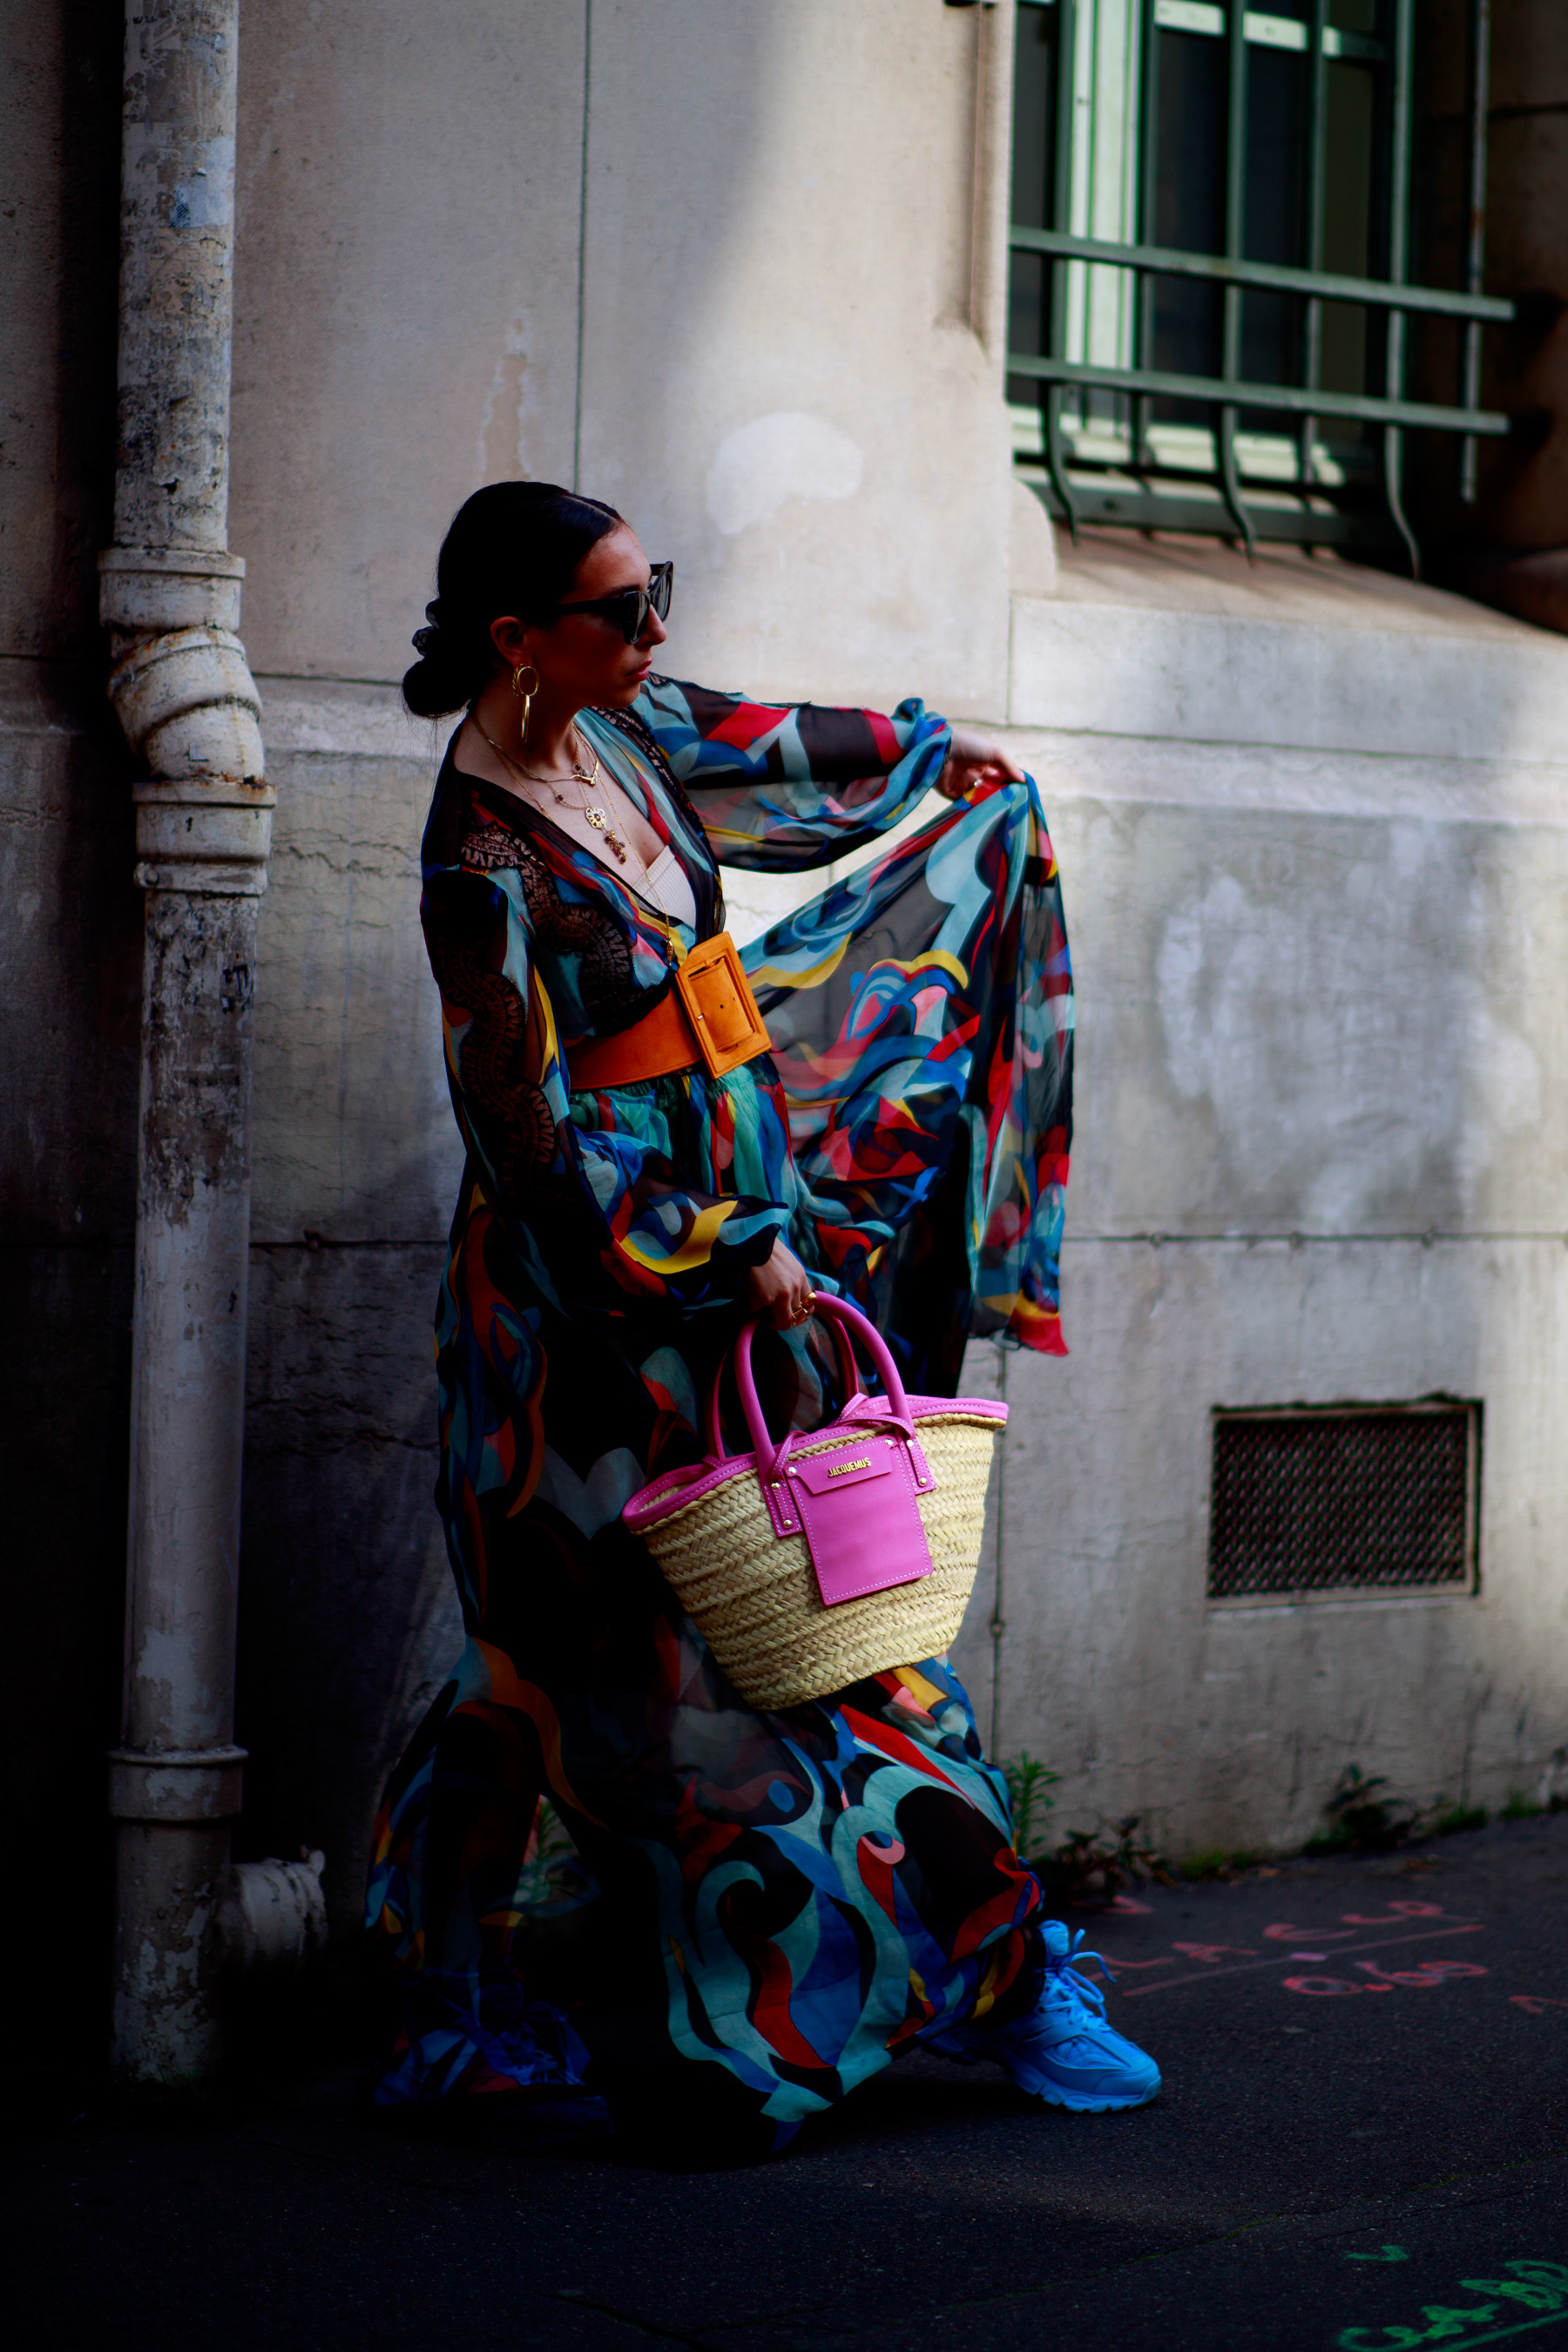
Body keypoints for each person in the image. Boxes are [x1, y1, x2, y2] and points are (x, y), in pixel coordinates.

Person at [367, 479, 1158, 2159]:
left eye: (657, 589)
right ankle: (466, 2012)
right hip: (586, 1326)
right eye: (621, 608)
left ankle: (996, 1971)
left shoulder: (628, 725)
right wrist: (726, 1253)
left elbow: (768, 738)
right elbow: (520, 1139)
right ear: (519, 639)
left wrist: (932, 757)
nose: (657, 629)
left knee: (813, 1621)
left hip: (733, 1256)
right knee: (555, 1665)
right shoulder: (478, 853)